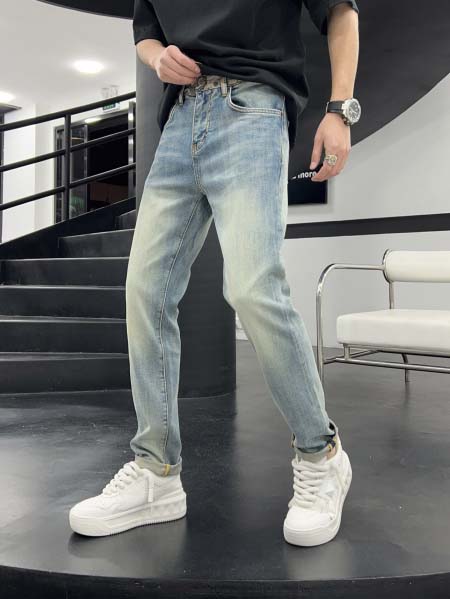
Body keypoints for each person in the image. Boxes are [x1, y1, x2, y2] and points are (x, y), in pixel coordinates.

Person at [69, 0, 360, 547]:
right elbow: (146, 31)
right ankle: (156, 473)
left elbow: (342, 12)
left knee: (251, 287)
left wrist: (340, 110)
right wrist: (156, 60)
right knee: (145, 291)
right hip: (180, 120)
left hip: (253, 108)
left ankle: (321, 456)